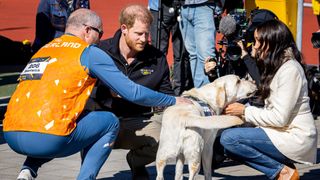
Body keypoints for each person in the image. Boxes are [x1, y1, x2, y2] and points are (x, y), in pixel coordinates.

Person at [3, 8, 188, 180]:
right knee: (109, 122)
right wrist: (173, 100)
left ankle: (28, 168)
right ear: (87, 30)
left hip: (10, 133)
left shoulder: (45, 49)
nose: (99, 39)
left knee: (66, 111)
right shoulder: (90, 52)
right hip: (48, 139)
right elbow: (132, 92)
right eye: (99, 33)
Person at [86, 4, 178, 179]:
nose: (144, 39)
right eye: (138, 34)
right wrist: (107, 93)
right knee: (86, 127)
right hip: (102, 121)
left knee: (169, 139)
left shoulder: (157, 58)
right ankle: (88, 172)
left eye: (147, 34)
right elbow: (83, 90)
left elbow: (168, 96)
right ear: (124, 29)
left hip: (138, 121)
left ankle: (136, 161)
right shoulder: (99, 51)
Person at [221, 19, 318, 180]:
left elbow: (279, 118)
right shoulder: (275, 65)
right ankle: (284, 168)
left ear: (272, 43)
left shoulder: (290, 70)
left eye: (259, 41)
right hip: (280, 132)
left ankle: (282, 172)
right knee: (223, 143)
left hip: (295, 136)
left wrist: (244, 111)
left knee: (229, 139)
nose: (256, 45)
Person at [148, 0, 193, 95]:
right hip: (157, 8)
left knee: (181, 54)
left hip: (181, 7)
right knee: (158, 53)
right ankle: (160, 88)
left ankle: (179, 91)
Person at [179, 0, 222, 88]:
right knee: (193, 55)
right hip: (183, 7)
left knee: (207, 57)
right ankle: (200, 93)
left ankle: (211, 95)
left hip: (204, 6)